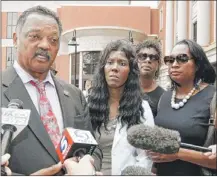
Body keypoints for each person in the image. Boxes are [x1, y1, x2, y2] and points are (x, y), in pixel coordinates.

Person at [1, 5, 102, 175]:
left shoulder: (74, 95)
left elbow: (94, 150)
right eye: (35, 36)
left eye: (53, 40)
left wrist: (88, 167)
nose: (45, 45)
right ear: (16, 39)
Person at [147, 39, 216, 175]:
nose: (174, 64)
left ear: (197, 64)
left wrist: (177, 153)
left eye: (182, 59)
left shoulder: (213, 97)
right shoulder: (165, 98)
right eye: (170, 60)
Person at [88, 40, 155, 175]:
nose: (115, 68)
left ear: (131, 71)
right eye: (110, 62)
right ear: (103, 68)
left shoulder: (142, 108)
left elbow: (146, 157)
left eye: (122, 63)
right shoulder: (88, 104)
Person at [135, 39, 165, 118]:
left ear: (158, 64)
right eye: (143, 56)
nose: (147, 60)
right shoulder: (124, 90)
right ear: (136, 61)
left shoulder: (164, 97)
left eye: (153, 57)